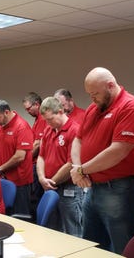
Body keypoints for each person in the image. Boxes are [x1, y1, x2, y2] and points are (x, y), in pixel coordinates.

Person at [70, 67, 134, 254]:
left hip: (119, 189)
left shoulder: (132, 107)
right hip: (93, 186)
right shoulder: (93, 109)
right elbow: (78, 139)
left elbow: (118, 150)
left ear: (110, 85)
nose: (92, 98)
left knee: (121, 247)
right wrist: (77, 168)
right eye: (89, 94)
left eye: (95, 93)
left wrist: (82, 170)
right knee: (91, 244)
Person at [37, 97, 83, 237]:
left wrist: (52, 182)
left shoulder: (75, 130)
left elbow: (71, 163)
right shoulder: (48, 130)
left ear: (61, 111)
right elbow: (41, 156)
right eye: (46, 120)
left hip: (69, 188)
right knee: (52, 228)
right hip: (50, 187)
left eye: (50, 119)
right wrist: (41, 178)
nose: (48, 123)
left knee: (72, 229)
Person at [0, 99, 34, 215]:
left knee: (20, 216)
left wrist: (0, 168)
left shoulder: (22, 126)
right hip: (1, 178)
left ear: (7, 112)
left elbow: (19, 156)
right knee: (5, 214)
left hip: (20, 182)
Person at [22, 92, 46, 160]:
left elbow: (37, 145)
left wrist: (26, 161)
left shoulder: (42, 118)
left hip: (37, 161)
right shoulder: (37, 118)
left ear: (36, 104)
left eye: (28, 108)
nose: (27, 111)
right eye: (26, 109)